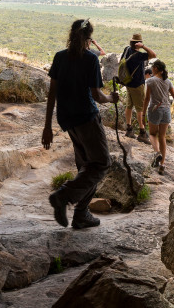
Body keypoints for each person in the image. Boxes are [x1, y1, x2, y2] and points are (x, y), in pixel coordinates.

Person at [42, 19, 118, 229]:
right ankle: (63, 196)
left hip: (67, 119)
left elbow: (52, 94)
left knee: (87, 167)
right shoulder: (90, 59)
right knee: (101, 163)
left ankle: (81, 214)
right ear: (89, 39)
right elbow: (96, 95)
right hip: (86, 118)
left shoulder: (60, 57)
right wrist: (112, 98)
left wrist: (47, 126)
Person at [142, 60, 174, 175]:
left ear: (156, 69)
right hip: (166, 111)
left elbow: (147, 99)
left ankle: (157, 153)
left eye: (153, 67)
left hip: (155, 110)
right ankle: (162, 164)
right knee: (162, 137)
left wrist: (143, 114)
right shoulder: (168, 82)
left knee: (153, 134)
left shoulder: (150, 81)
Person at [119, 33, 155, 141]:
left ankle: (129, 129)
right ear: (138, 43)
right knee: (140, 108)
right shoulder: (138, 55)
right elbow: (153, 55)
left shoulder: (126, 49)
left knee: (129, 106)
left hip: (128, 82)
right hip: (137, 84)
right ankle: (142, 132)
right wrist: (143, 47)